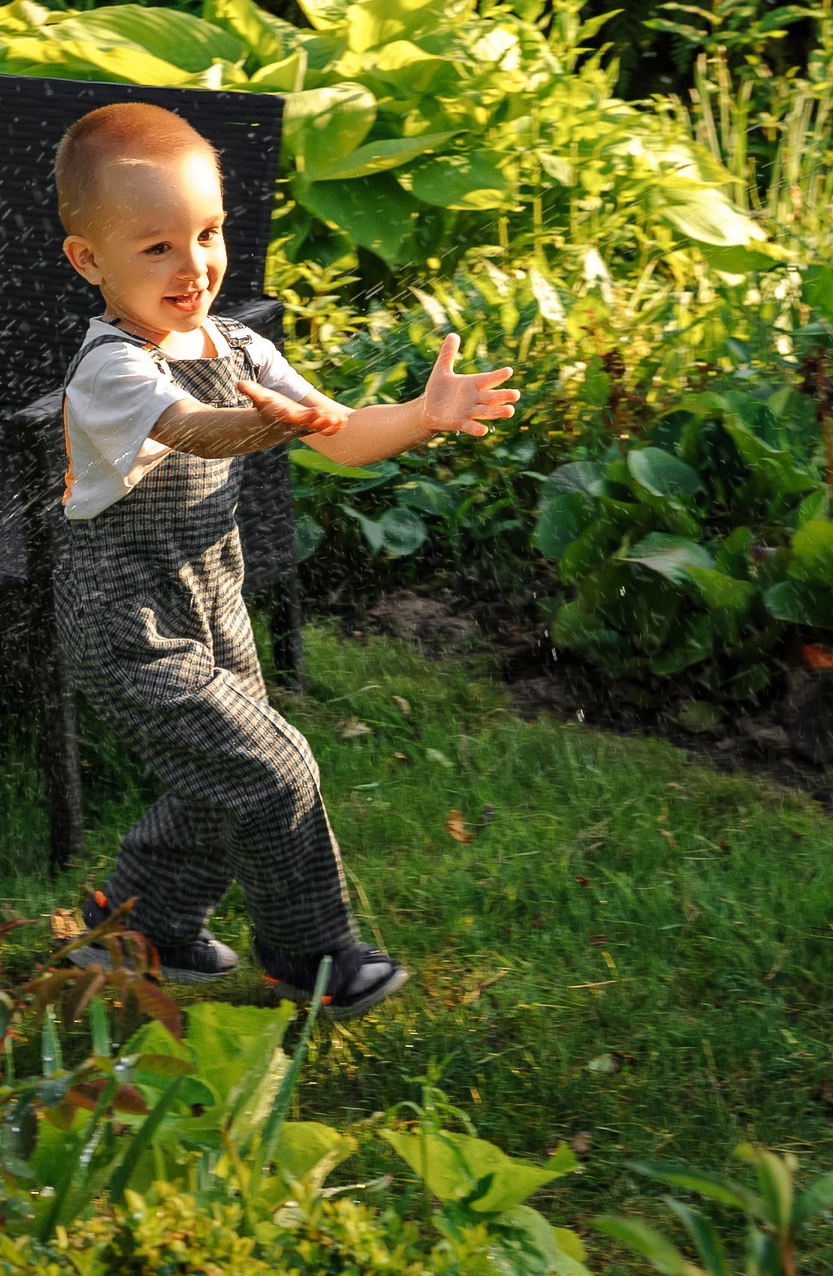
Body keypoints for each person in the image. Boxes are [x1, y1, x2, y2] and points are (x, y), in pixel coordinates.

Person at [53, 102, 518, 1016]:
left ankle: (138, 932)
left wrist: (424, 417)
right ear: (90, 261)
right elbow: (194, 431)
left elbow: (342, 438)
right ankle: (311, 958)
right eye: (157, 249)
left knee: (223, 774)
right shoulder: (110, 368)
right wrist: (268, 420)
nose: (194, 266)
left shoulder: (238, 345)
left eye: (208, 234)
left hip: (209, 607)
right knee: (273, 768)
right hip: (128, 625)